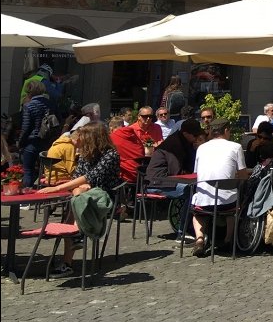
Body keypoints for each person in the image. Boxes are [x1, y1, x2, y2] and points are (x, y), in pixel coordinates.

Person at [37, 123, 121, 275]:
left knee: (75, 205)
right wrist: (78, 189)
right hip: (82, 196)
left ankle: (71, 249)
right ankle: (73, 244)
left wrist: (57, 188)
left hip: (105, 197)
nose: (79, 139)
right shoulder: (85, 154)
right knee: (77, 200)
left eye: (83, 136)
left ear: (93, 137)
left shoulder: (111, 155)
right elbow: (78, 178)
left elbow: (92, 177)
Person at [190, 120, 249, 256]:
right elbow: (243, 176)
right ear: (226, 130)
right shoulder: (236, 147)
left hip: (203, 200)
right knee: (234, 201)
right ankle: (228, 239)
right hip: (226, 203)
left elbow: (197, 173)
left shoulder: (201, 148)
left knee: (198, 213)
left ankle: (199, 239)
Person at [145, 119, 206, 240]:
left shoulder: (184, 142)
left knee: (194, 188)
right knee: (190, 191)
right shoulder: (174, 144)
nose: (196, 138)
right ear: (185, 134)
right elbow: (176, 172)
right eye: (194, 135)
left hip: (165, 180)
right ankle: (183, 231)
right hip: (157, 183)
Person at [110, 107, 163, 185]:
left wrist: (148, 145)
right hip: (139, 165)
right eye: (145, 116)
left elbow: (160, 144)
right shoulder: (131, 129)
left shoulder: (157, 128)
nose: (148, 119)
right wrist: (152, 145)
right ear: (139, 116)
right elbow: (136, 150)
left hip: (154, 161)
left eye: (151, 116)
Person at [17, 80, 53, 188]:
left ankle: (26, 197)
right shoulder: (51, 104)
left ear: (29, 92)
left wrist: (20, 142)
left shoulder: (29, 106)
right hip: (47, 141)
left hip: (32, 142)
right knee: (45, 171)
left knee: (28, 169)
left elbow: (26, 127)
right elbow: (58, 121)